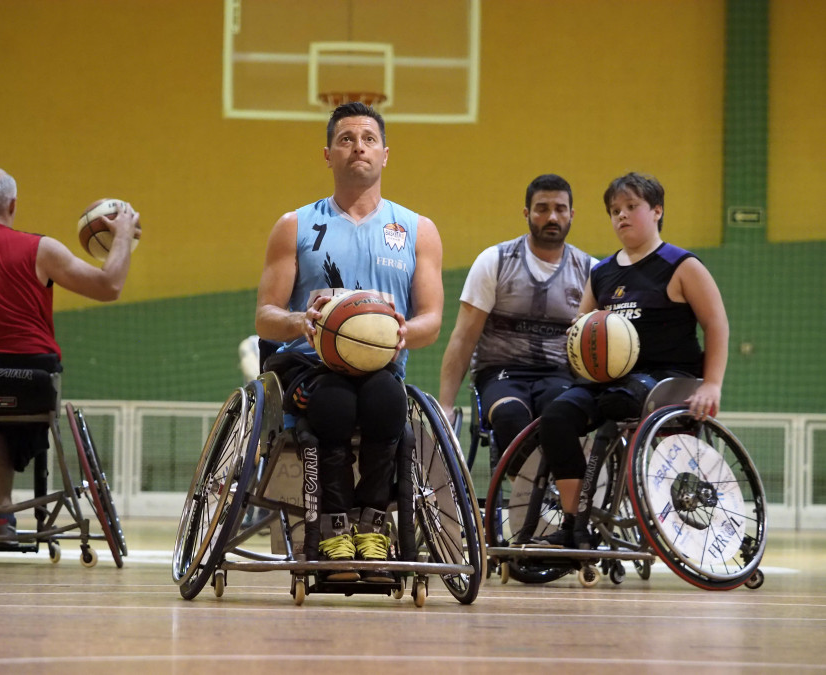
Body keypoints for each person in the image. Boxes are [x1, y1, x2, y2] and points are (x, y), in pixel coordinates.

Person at [255, 101, 443, 581]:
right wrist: (299, 321)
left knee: (385, 401)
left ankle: (372, 523)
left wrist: (403, 333)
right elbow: (265, 317)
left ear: (384, 154)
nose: (358, 147)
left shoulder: (418, 230)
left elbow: (432, 321)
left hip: (380, 366)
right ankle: (335, 527)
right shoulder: (294, 225)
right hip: (309, 365)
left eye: (368, 139)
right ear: (328, 154)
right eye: (345, 139)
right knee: (334, 405)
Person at [0, 167, 140, 539]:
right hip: (35, 383)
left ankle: (2, 514)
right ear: (12, 204)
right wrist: (121, 236)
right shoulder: (40, 249)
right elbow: (109, 286)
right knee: (18, 402)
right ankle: (27, 508)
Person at [538, 171, 729, 547]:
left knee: (619, 401)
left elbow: (717, 324)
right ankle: (573, 523)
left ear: (656, 211)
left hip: (667, 377)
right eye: (614, 210)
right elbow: (581, 326)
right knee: (556, 416)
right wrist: (580, 332)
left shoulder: (681, 265)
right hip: (609, 377)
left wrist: (713, 384)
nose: (621, 216)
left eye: (631, 207)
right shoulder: (603, 273)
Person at [438, 174, 595, 466]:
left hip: (559, 375)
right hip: (501, 373)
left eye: (560, 209)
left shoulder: (590, 271)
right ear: (527, 213)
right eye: (542, 208)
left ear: (572, 214)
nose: (552, 216)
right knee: (511, 416)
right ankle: (529, 498)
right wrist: (445, 406)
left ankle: (556, 497)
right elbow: (463, 338)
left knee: (560, 414)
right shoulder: (494, 261)